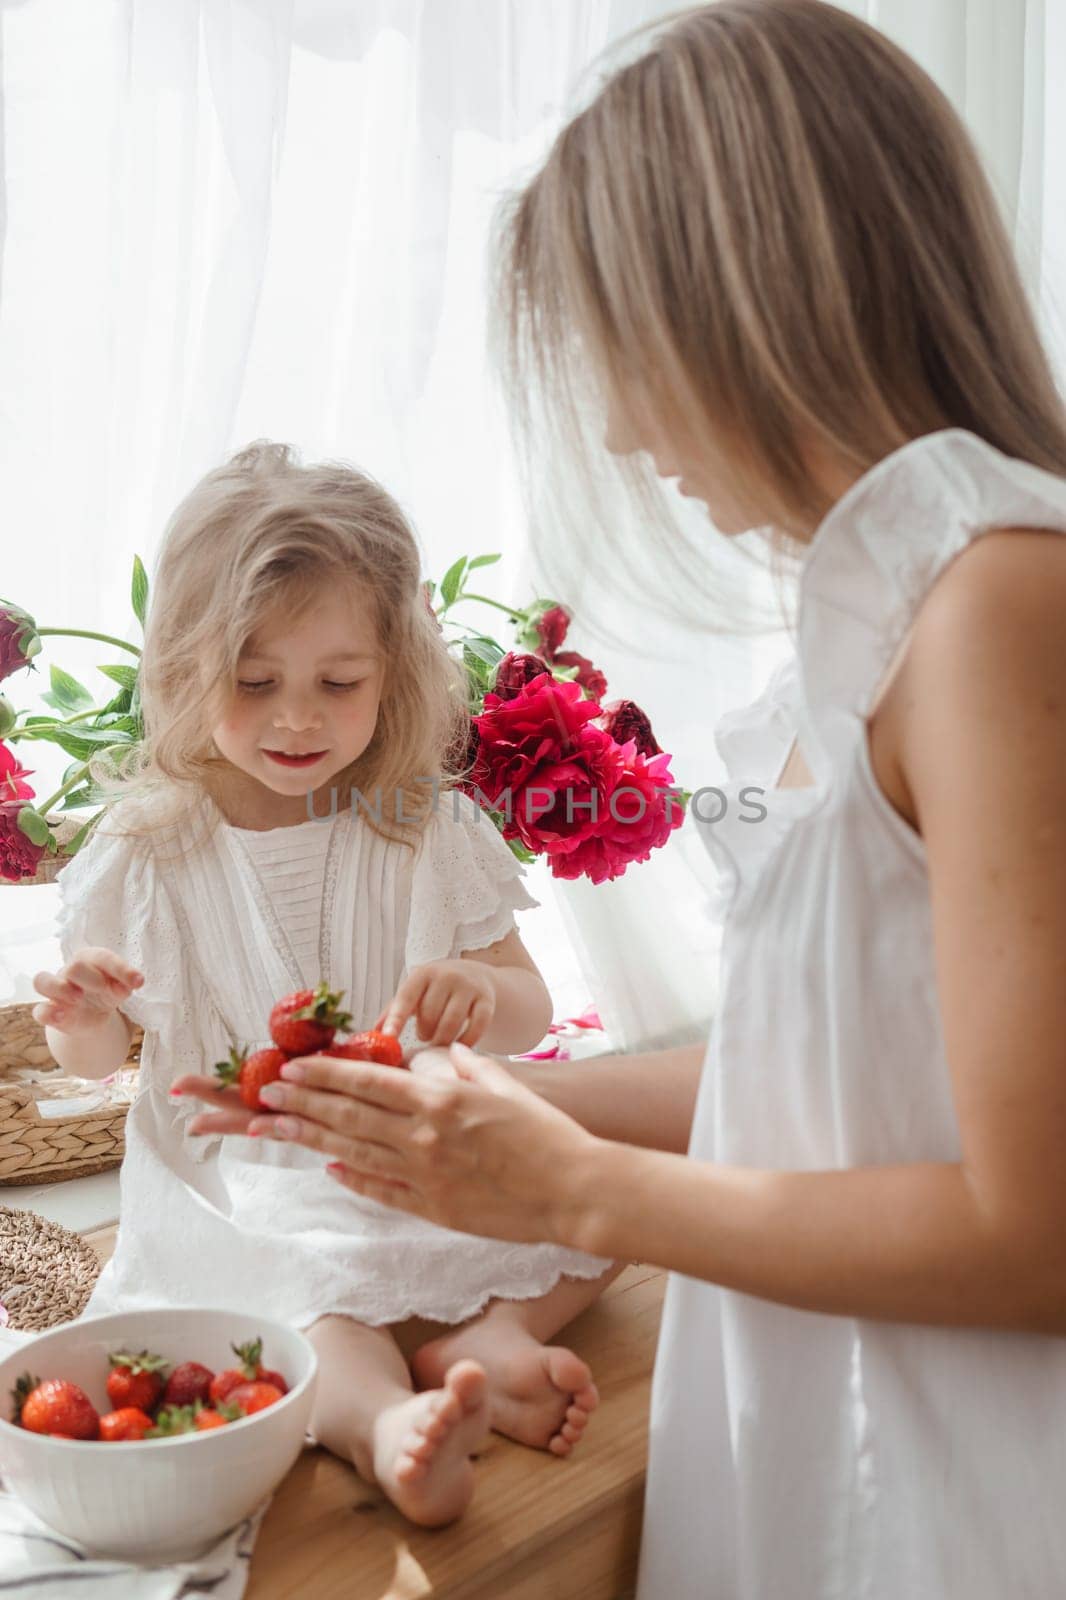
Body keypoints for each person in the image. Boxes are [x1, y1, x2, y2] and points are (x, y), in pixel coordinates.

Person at [178, 2, 1066, 1595]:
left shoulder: (996, 604)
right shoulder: (897, 618)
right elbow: (853, 1073)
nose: (614, 422)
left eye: (611, 348)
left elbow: (1039, 1230)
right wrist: (418, 1111)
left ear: (738, 298)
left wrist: (570, 1185)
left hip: (957, 1507)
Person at [32, 441, 617, 1528]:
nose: (297, 718)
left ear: (393, 671)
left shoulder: (422, 823)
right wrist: (88, 1014)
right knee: (302, 1296)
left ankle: (488, 1337)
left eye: (337, 683)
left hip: (415, 1137)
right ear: (182, 674)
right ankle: (381, 1424)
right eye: (253, 685)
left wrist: (480, 994)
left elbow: (526, 1002)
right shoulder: (147, 846)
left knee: (601, 1211)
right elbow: (97, 1063)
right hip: (242, 1165)